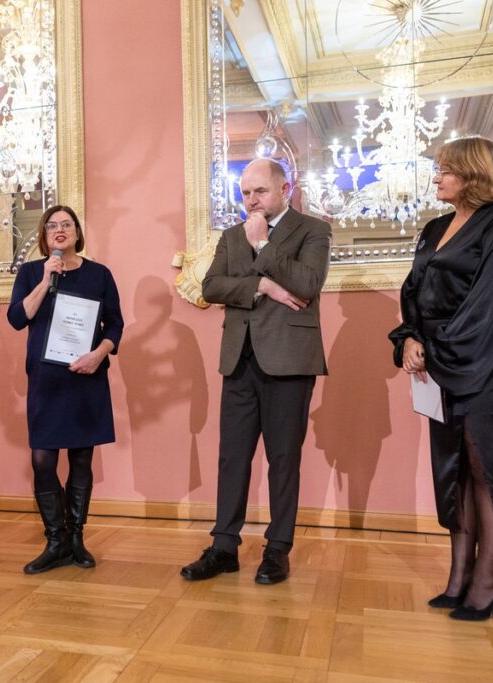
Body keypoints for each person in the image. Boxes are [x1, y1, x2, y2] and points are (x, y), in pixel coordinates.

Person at [389, 136, 493, 621]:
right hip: (441, 358)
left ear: (472, 173)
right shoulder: (434, 227)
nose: (436, 177)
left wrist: (437, 348)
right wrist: (410, 337)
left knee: (488, 465)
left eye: (445, 169)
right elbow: (415, 292)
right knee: (454, 467)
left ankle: (488, 583)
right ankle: (459, 578)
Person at [181, 158, 331, 585]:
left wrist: (264, 247)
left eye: (260, 191)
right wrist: (262, 286)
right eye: (245, 193)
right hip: (239, 360)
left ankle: (277, 550)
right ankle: (224, 546)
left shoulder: (313, 230)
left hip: (289, 361)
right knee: (232, 459)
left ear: (286, 188)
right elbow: (211, 287)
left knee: (283, 460)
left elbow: (307, 283)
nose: (251, 201)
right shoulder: (231, 236)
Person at [6, 205, 123, 574]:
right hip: (46, 381)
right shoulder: (30, 273)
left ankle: (76, 539)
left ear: (77, 233)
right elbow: (16, 318)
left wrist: (99, 354)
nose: (60, 230)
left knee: (81, 460)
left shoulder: (99, 274)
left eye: (66, 225)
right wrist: (44, 280)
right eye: (52, 225)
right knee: (42, 460)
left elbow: (115, 325)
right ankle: (55, 540)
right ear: (44, 235)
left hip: (85, 377)